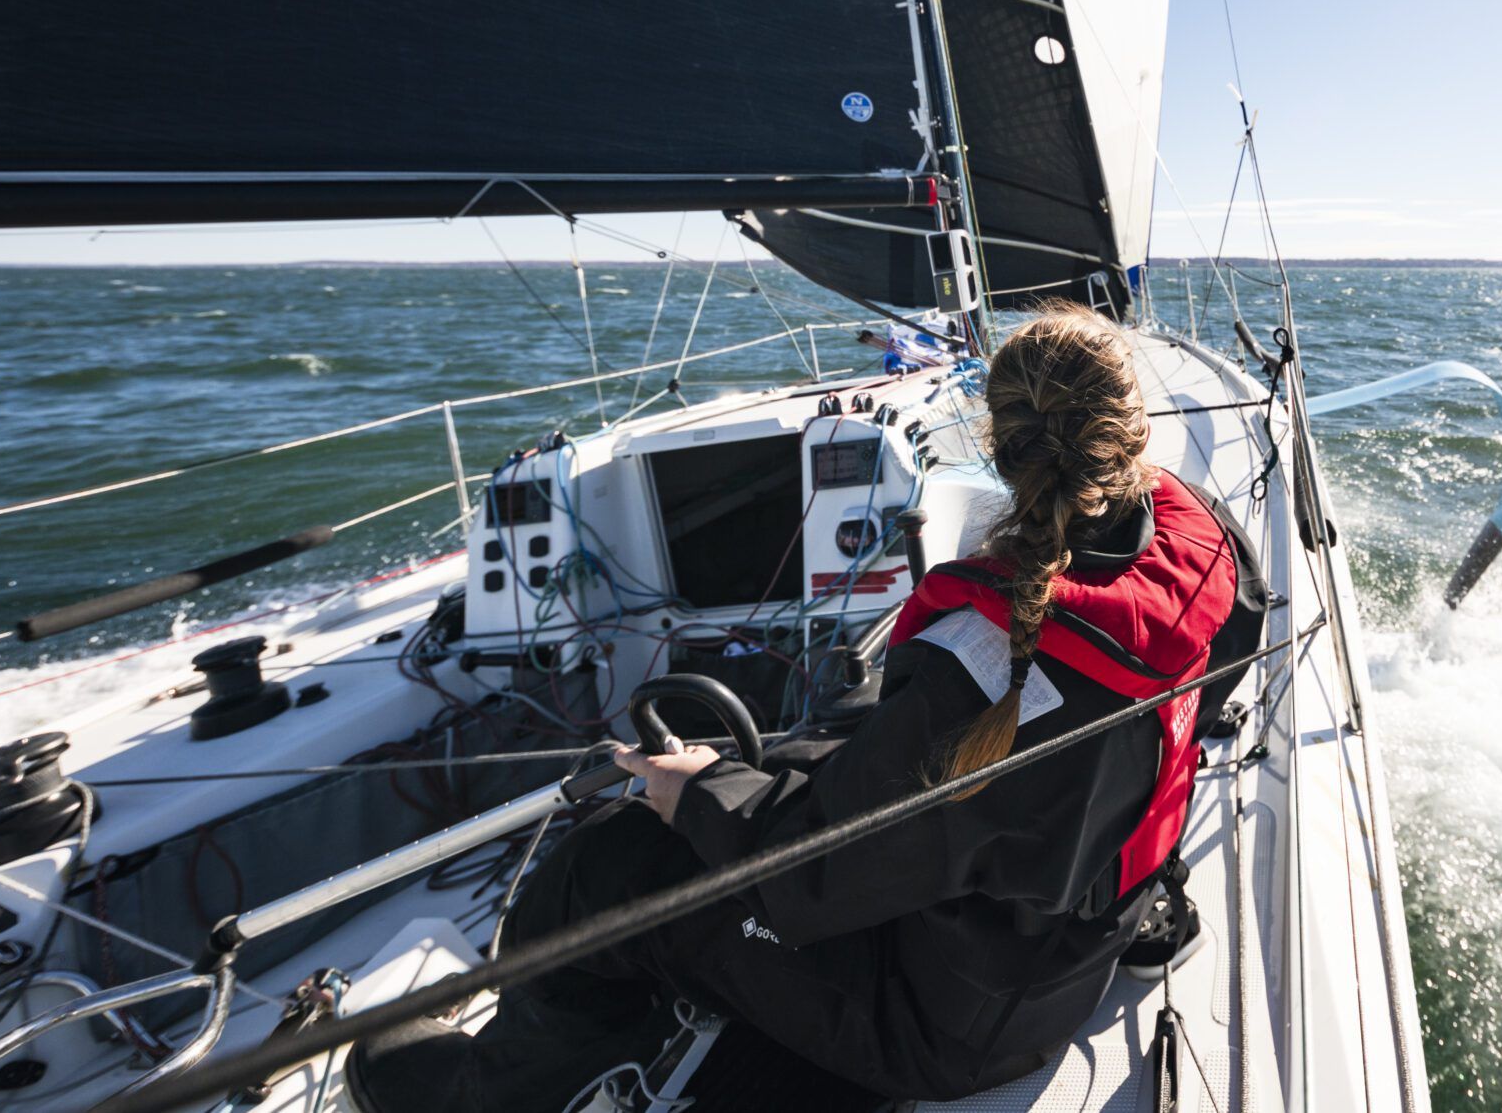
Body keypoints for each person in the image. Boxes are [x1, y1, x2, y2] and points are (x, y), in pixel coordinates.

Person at [350, 305, 1240, 1113]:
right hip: (1051, 958)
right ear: (1132, 436)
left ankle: (485, 1093)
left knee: (606, 869)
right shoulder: (1207, 566)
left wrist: (697, 790)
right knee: (827, 740)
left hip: (939, 1027)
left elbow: (816, 876)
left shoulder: (979, 671)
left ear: (1001, 445)